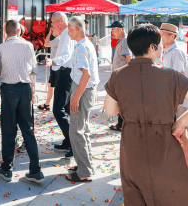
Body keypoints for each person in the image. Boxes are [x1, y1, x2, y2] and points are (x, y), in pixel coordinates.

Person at [104, 23, 188, 203]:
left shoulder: (117, 75)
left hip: (131, 144)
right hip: (163, 142)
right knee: (170, 196)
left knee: (136, 196)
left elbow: (110, 110)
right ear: (152, 47)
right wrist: (181, 123)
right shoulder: (170, 75)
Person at [0, 19, 44, 184]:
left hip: (9, 89)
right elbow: (34, 68)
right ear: (19, 31)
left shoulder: (0, 48)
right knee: (28, 130)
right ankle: (36, 171)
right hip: (25, 89)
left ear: (5, 32)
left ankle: (7, 168)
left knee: (9, 130)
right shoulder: (28, 46)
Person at [63, 16, 100, 183]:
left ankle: (84, 171)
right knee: (82, 130)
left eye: (70, 29)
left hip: (82, 91)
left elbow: (86, 75)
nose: (68, 32)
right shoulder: (85, 44)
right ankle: (86, 165)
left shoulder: (81, 47)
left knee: (76, 132)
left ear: (77, 29)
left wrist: (75, 98)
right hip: (86, 90)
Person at [159, 23, 188, 172]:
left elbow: (179, 76)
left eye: (163, 34)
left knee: (180, 132)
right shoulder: (168, 51)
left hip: (180, 99)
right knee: (176, 132)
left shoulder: (176, 52)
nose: (161, 37)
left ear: (172, 36)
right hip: (174, 98)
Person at [45, 11, 75, 157]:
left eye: (53, 22)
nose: (51, 24)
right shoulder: (63, 35)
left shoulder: (67, 35)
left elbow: (66, 55)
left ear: (61, 21)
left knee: (58, 110)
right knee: (66, 109)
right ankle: (69, 141)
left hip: (65, 73)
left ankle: (73, 142)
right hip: (63, 72)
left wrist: (53, 61)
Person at [108, 20, 129, 132]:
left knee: (122, 102)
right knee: (120, 101)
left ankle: (121, 124)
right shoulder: (121, 40)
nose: (112, 32)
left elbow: (128, 58)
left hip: (123, 77)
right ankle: (121, 123)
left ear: (120, 29)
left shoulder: (125, 41)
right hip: (119, 77)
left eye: (113, 29)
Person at [38, 22, 60, 111]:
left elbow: (46, 44)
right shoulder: (60, 39)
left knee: (52, 85)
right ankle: (47, 104)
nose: (52, 30)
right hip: (55, 65)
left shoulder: (58, 39)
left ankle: (49, 104)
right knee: (51, 85)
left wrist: (49, 33)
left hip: (56, 65)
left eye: (53, 28)